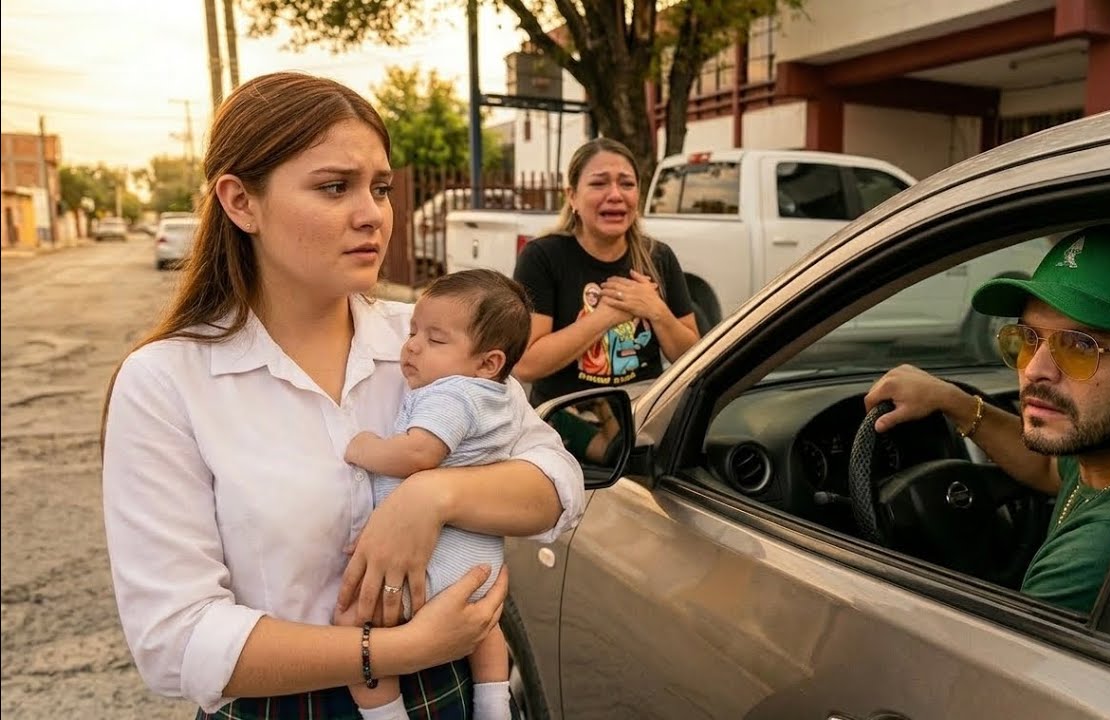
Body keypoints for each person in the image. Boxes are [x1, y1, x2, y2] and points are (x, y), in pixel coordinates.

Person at [100, 72, 585, 720]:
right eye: (335, 187)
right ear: (241, 202)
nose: (373, 214)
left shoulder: (421, 340)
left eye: (380, 188)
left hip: (453, 693)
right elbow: (176, 640)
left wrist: (432, 495)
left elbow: (557, 482)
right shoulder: (168, 380)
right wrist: (392, 650)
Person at [865, 224, 1110, 613]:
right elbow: (1050, 468)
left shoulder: (1103, 553)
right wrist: (952, 401)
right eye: (1027, 338)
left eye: (1081, 345)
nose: (1034, 370)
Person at [339, 269, 540, 720]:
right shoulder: (501, 394)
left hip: (434, 561)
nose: (411, 346)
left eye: (434, 339)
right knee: (485, 623)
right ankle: (493, 703)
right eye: (412, 332)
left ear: (487, 361)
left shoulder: (452, 395)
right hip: (479, 559)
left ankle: (383, 713)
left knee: (357, 626)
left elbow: (419, 453)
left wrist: (367, 448)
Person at [511, 137, 702, 409]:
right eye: (599, 183)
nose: (615, 195)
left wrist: (655, 309)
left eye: (626, 184)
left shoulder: (659, 257)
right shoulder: (542, 257)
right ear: (572, 196)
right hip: (567, 424)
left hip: (644, 416)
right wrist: (607, 316)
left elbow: (692, 357)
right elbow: (527, 364)